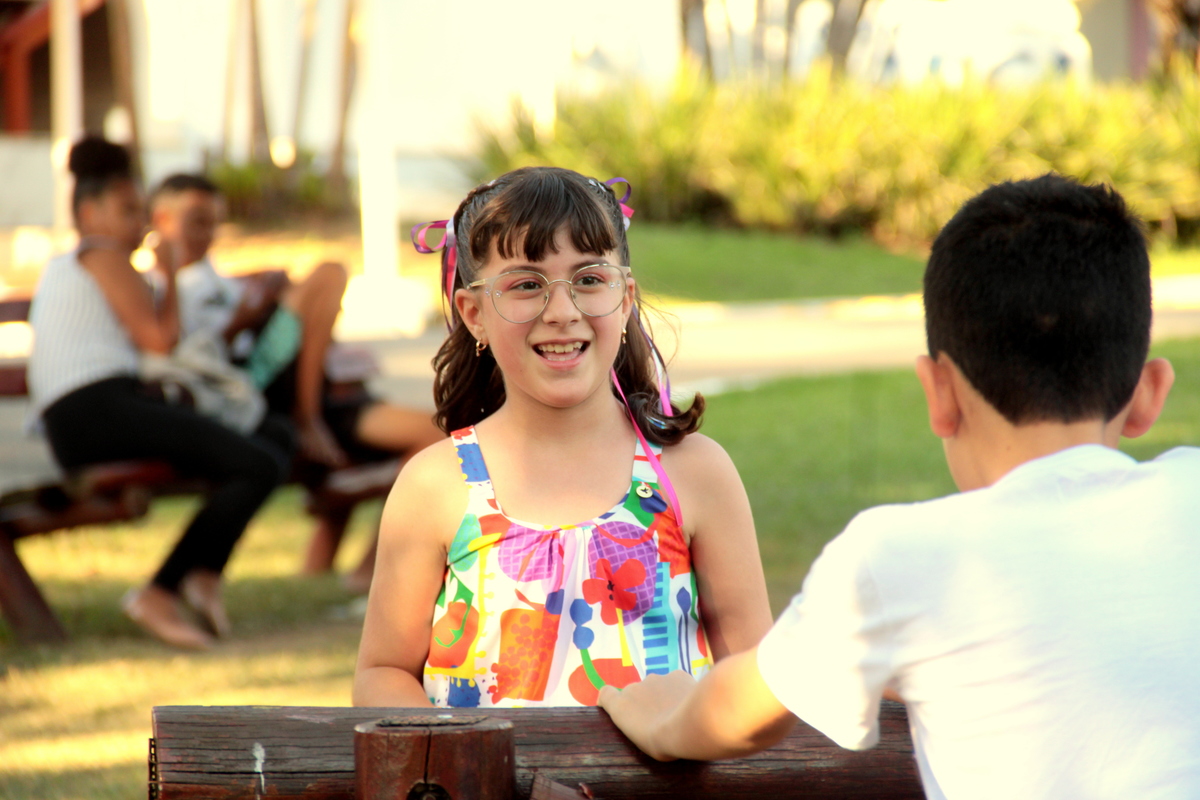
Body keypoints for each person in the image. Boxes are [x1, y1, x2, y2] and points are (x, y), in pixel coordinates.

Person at [599, 174, 1200, 798]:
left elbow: (741, 712)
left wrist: (661, 717)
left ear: (938, 394)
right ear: (1151, 394)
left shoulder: (902, 561)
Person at [352, 167, 773, 708]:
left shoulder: (691, 472)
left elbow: (753, 672)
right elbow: (383, 672)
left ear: (625, 299)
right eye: (527, 285)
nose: (562, 312)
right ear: (473, 313)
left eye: (590, 279)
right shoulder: (436, 485)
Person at [27, 137, 294, 650]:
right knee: (256, 462)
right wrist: (168, 273)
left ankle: (203, 575)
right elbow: (159, 338)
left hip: (103, 410)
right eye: (128, 211)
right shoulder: (100, 253)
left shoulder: (84, 262)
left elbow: (156, 339)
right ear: (89, 211)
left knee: (272, 437)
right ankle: (162, 589)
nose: (138, 223)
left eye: (141, 211)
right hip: (94, 412)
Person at [148, 173, 442, 590]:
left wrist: (270, 298)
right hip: (256, 394)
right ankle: (309, 419)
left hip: (314, 387)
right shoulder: (159, 283)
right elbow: (184, 357)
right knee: (329, 274)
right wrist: (242, 321)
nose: (208, 233)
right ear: (162, 219)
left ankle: (350, 568)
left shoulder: (217, 279)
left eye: (215, 222)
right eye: (197, 221)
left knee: (440, 436)